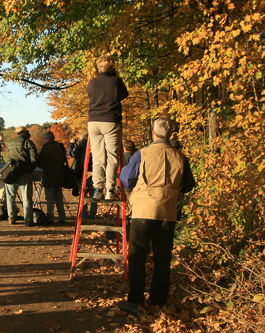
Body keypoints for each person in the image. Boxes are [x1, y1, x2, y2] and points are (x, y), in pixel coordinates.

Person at [118, 118, 196, 315]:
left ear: (153, 132)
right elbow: (188, 185)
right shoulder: (180, 156)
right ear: (170, 134)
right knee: (162, 258)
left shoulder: (141, 154)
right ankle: (158, 301)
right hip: (168, 212)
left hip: (143, 210)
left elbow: (126, 178)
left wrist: (136, 190)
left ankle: (135, 300)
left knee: (137, 256)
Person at [87, 55, 129, 200]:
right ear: (112, 68)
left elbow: (91, 96)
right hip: (111, 120)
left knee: (98, 157)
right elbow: (124, 94)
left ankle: (97, 189)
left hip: (93, 122)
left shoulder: (92, 83)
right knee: (112, 156)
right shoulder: (116, 81)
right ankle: (110, 190)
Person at [5, 126, 38, 227]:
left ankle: (11, 218)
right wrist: (30, 168)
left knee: (10, 196)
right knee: (26, 197)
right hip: (24, 172)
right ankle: (28, 220)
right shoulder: (29, 143)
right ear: (24, 133)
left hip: (12, 172)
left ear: (17, 133)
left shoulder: (10, 143)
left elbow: (8, 157)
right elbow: (34, 159)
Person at [37, 131, 66, 224]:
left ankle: (50, 217)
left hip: (49, 177)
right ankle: (62, 217)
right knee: (59, 198)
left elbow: (41, 163)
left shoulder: (47, 148)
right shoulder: (59, 147)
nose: (44, 140)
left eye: (44, 138)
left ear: (48, 139)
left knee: (49, 199)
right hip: (59, 176)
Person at [73, 133, 97, 219]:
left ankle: (84, 215)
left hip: (82, 174)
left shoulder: (79, 148)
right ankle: (92, 215)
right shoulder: (95, 146)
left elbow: (72, 153)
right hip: (94, 173)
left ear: (81, 140)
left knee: (83, 196)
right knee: (94, 195)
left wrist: (72, 144)